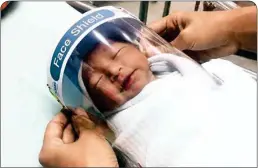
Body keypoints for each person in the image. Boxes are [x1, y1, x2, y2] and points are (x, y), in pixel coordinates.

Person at [39, 6, 257, 167]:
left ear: (142, 49)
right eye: (98, 82)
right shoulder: (115, 127)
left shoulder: (189, 69)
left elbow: (236, 86)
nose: (115, 71)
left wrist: (232, 28)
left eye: (118, 54)